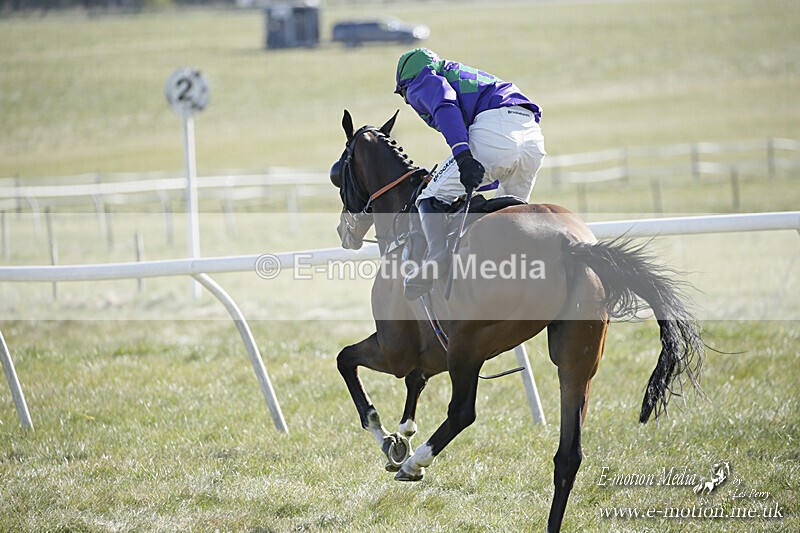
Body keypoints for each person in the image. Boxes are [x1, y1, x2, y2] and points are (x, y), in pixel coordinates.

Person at [395, 48, 546, 299]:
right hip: (532, 138)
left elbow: (445, 104)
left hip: (495, 130)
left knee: (429, 197)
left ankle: (436, 259)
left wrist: (462, 155)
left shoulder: (420, 80)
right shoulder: (463, 74)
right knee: (511, 216)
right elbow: (494, 162)